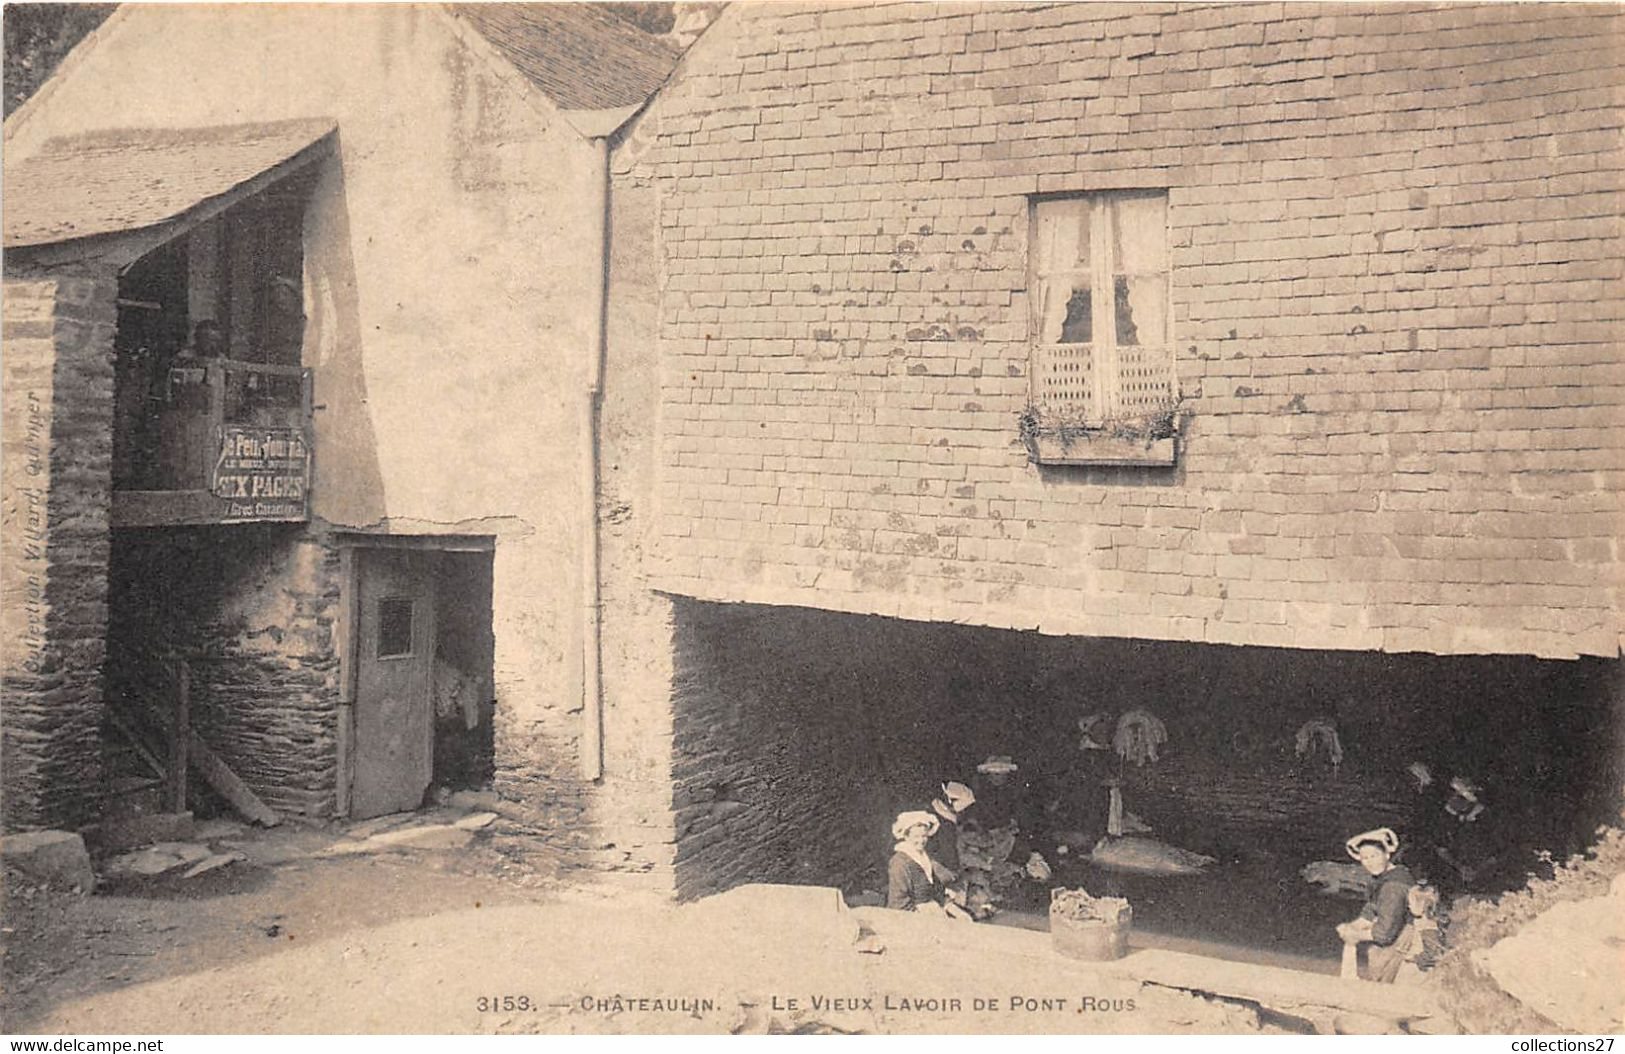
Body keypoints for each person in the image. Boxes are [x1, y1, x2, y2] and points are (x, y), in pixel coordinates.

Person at [1336, 827, 1416, 982]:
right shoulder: (1386, 876)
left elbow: (1385, 933)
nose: (1370, 862)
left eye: (1374, 856)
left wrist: (1355, 935)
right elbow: (1373, 908)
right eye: (1365, 858)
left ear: (1387, 854)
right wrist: (1354, 926)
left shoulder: (1394, 885)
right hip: (1395, 934)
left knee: (1383, 981)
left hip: (1403, 940)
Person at [886, 811, 970, 919]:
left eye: (924, 836)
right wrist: (926, 916)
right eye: (916, 836)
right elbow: (898, 903)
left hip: (932, 912)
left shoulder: (924, 858)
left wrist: (953, 909)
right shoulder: (900, 862)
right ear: (906, 836)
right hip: (910, 918)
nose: (921, 840)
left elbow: (936, 890)